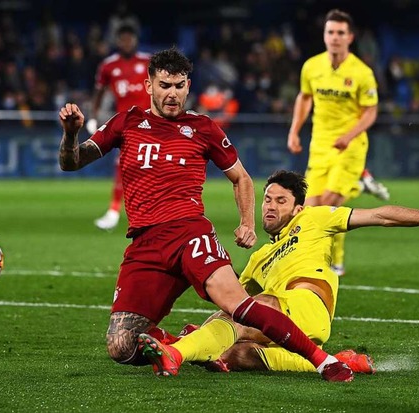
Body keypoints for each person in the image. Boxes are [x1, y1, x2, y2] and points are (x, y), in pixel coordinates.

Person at [59, 47, 355, 382]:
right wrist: (71, 134)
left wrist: (247, 223)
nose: (172, 94)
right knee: (121, 346)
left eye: (179, 86)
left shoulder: (203, 128)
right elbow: (71, 163)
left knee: (239, 306)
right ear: (149, 86)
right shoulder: (126, 122)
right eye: (165, 85)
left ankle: (325, 361)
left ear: (188, 86)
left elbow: (241, 177)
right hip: (144, 244)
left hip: (189, 234)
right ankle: (180, 344)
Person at [140, 170, 419, 375]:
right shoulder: (260, 257)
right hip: (287, 324)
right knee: (237, 354)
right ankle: (338, 360)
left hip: (308, 306)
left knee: (252, 312)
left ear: (297, 207)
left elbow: (380, 214)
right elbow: (230, 302)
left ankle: (177, 350)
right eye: (267, 199)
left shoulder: (313, 219)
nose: (270, 206)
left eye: (280, 201)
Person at [286, 9, 385, 276]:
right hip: (320, 145)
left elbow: (371, 111)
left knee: (330, 201)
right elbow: (305, 97)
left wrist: (349, 135)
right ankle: (358, 184)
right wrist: (294, 131)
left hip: (351, 146)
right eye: (331, 32)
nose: (335, 37)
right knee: (308, 209)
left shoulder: (362, 72)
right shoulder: (312, 66)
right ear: (324, 35)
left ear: (350, 37)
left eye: (341, 33)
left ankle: (334, 261)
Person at [90, 25, 151, 230]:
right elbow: (98, 93)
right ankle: (114, 211)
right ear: (118, 42)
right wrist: (93, 116)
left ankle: (155, 211)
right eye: (123, 39)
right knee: (123, 167)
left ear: (135, 40)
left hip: (152, 123)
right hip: (126, 124)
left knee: (154, 167)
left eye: (130, 39)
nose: (127, 43)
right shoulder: (109, 66)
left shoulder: (148, 62)